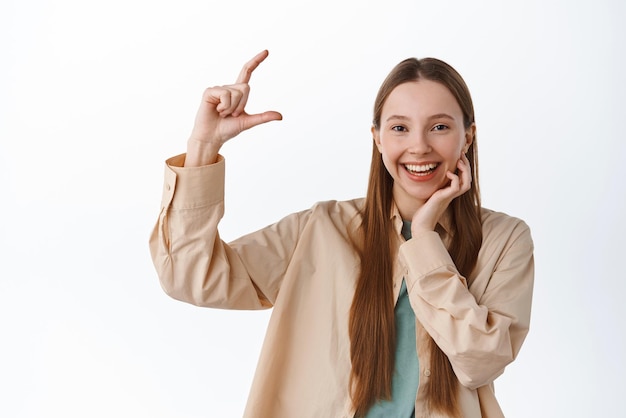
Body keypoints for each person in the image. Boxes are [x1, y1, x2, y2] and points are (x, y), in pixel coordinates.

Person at [149, 50, 534, 418]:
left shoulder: (505, 240)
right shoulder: (320, 229)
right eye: (399, 128)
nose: (419, 146)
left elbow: (480, 362)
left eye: (439, 127)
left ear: (467, 137)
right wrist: (203, 145)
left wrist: (423, 238)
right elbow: (189, 276)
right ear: (377, 138)